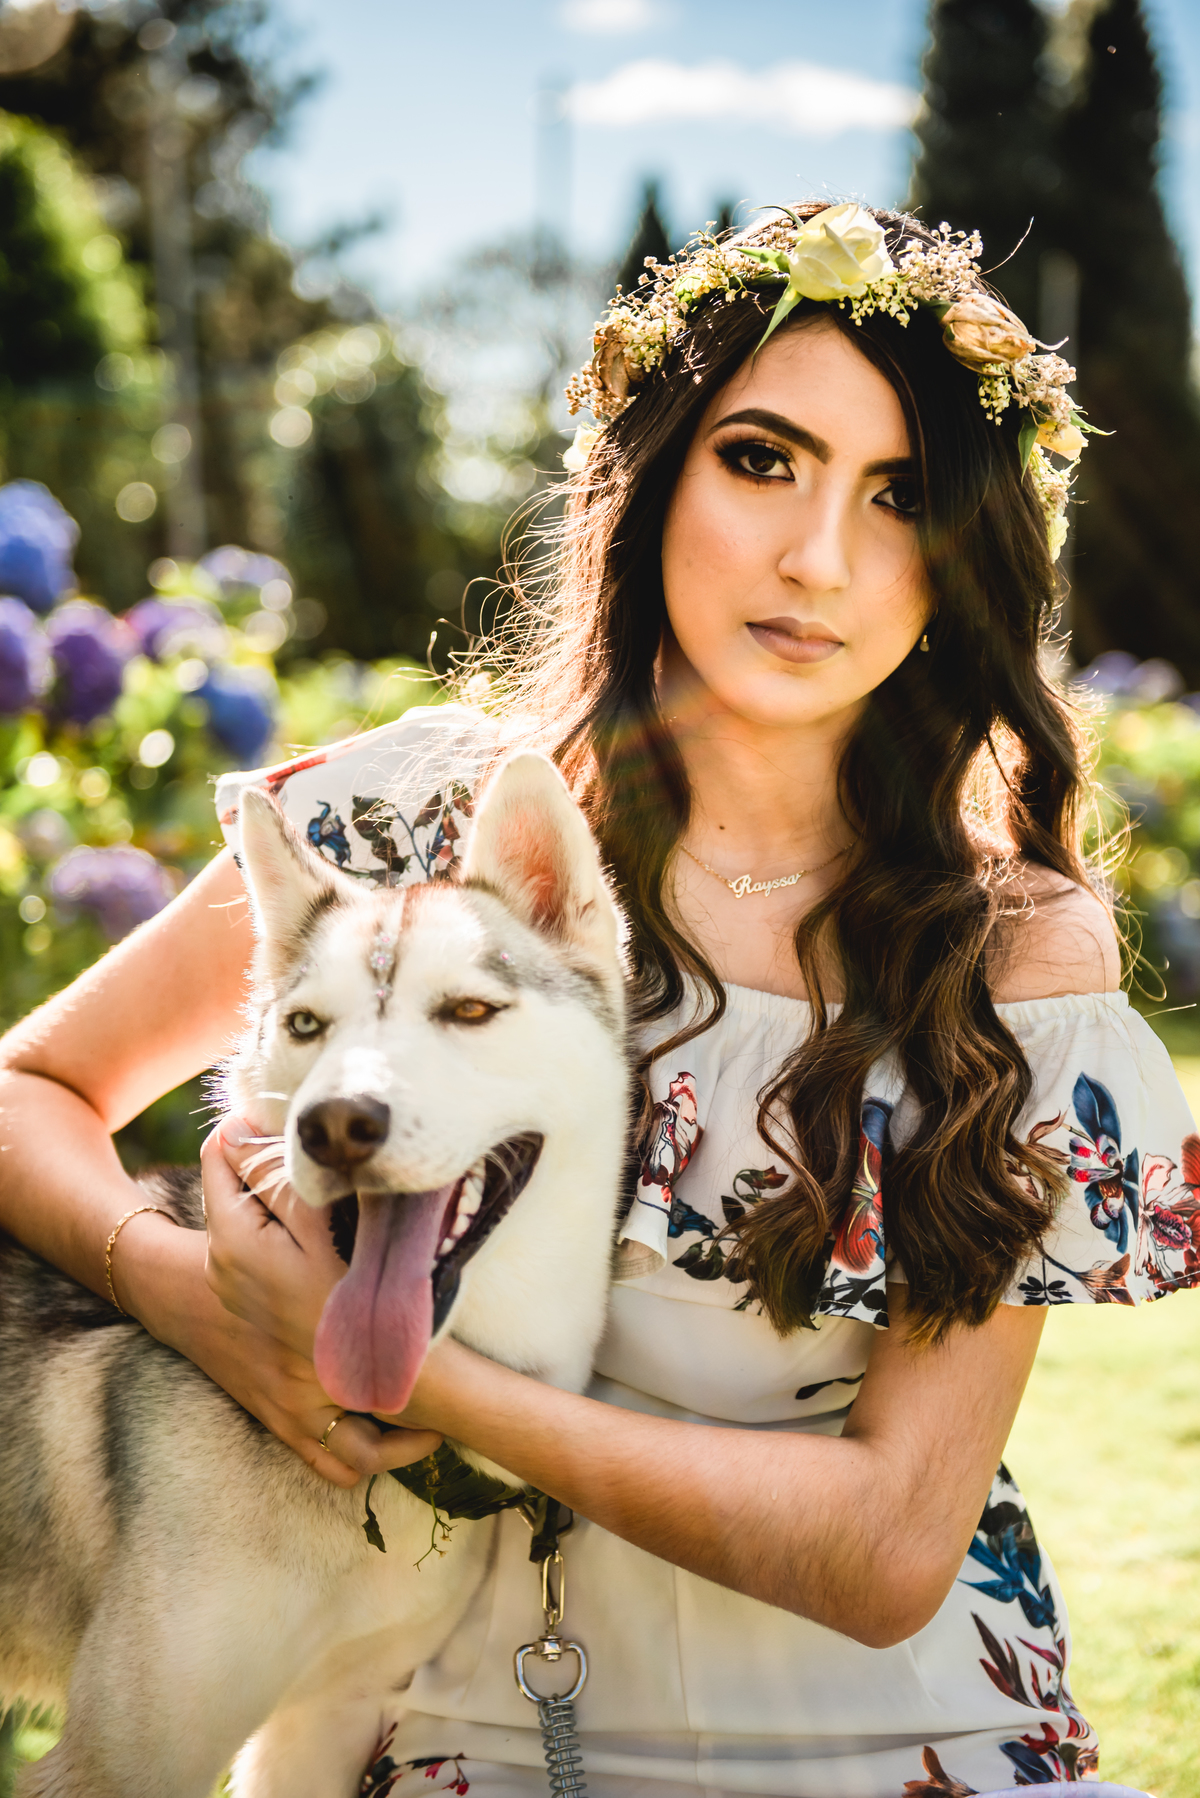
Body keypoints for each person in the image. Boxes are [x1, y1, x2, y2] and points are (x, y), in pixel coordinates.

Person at [1, 202, 1196, 1798]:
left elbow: (889, 1546)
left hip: (911, 1745)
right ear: (653, 478)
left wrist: (409, 1376)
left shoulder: (1010, 949)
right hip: (475, 1739)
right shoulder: (409, 819)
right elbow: (29, 1090)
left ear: (962, 557)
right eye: (761, 460)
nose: (816, 557)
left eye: (900, 494)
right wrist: (183, 1285)